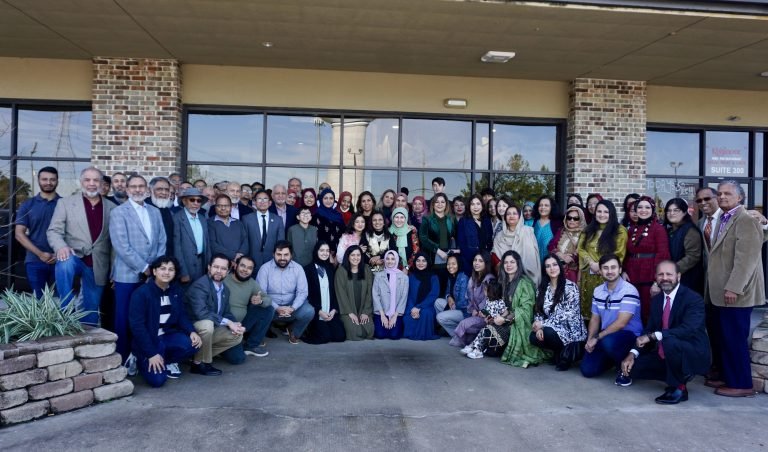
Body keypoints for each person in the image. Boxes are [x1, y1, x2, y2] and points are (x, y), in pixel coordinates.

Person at [619, 261, 711, 404]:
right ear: (656, 277)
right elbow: (649, 330)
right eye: (661, 274)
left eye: (669, 274)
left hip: (690, 352)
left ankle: (679, 388)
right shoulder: (657, 300)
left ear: (678, 276)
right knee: (633, 368)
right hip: (666, 353)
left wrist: (654, 336)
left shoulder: (693, 299)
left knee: (668, 339)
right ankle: (678, 374)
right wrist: (632, 354)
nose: (665, 278)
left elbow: (689, 329)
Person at [705, 180, 763, 397]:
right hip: (720, 293)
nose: (722, 197)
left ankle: (741, 384)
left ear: (740, 197)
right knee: (725, 338)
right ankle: (728, 377)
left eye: (728, 193)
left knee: (734, 340)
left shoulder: (745, 219)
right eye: (719, 193)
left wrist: (734, 288)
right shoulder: (724, 218)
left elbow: (745, 260)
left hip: (736, 294)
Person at [109, 174, 167, 363]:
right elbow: (121, 246)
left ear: (147, 190)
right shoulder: (119, 213)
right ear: (127, 190)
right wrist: (144, 267)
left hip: (151, 276)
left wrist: (156, 268)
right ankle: (123, 357)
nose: (137, 190)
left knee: (148, 318)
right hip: (127, 275)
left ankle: (141, 357)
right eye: (133, 186)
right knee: (124, 318)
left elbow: (162, 240)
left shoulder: (155, 212)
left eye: (141, 186)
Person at [47, 166, 113, 325]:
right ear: (81, 182)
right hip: (74, 256)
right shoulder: (65, 203)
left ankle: (86, 337)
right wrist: (61, 246)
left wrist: (114, 270)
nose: (92, 183)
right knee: (64, 262)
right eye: (87, 180)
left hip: (98, 264)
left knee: (90, 312)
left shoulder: (112, 208)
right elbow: (54, 230)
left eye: (96, 180)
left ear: (102, 183)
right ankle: (66, 307)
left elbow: (115, 242)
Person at [128, 256, 201, 387]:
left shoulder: (176, 291)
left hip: (167, 336)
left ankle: (167, 361)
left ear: (175, 273)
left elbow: (181, 315)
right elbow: (137, 327)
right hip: (149, 340)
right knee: (157, 381)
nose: (166, 272)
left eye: (171, 269)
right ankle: (138, 357)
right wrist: (151, 354)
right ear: (154, 271)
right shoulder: (141, 293)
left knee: (194, 344)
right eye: (162, 268)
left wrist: (192, 331)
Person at [580, 254, 643, 384]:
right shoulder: (598, 291)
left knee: (609, 342)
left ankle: (625, 369)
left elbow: (621, 323)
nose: (609, 271)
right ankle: (613, 359)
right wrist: (590, 340)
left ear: (620, 269)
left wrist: (597, 338)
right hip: (607, 336)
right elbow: (595, 319)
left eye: (613, 267)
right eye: (605, 268)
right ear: (600, 271)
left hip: (629, 336)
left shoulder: (629, 290)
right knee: (587, 370)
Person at [184, 254, 246, 376]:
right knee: (207, 325)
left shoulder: (225, 289)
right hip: (192, 329)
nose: (218, 271)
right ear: (209, 267)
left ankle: (194, 356)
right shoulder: (200, 285)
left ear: (228, 271)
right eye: (216, 267)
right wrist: (228, 323)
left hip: (211, 327)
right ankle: (200, 363)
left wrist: (235, 325)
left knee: (237, 335)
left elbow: (226, 312)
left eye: (223, 268)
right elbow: (201, 313)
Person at [529, 254, 587, 371]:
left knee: (548, 333)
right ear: (545, 270)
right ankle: (559, 352)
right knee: (533, 337)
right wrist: (538, 326)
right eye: (548, 266)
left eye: (555, 265)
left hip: (571, 329)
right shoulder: (542, 289)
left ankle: (566, 354)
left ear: (560, 266)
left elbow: (568, 314)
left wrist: (543, 324)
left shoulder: (571, 287)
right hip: (552, 326)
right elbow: (539, 311)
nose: (552, 268)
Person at [497, 251, 549, 367]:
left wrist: (505, 319)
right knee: (487, 331)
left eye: (512, 262)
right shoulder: (504, 281)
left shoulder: (525, 283)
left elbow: (526, 311)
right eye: (506, 262)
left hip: (521, 323)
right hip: (507, 319)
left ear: (518, 264)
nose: (508, 265)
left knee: (491, 336)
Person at [256, 240, 314, 344]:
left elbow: (302, 292)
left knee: (309, 311)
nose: (282, 258)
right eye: (279, 254)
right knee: (260, 307)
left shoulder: (298, 269)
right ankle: (259, 335)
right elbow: (262, 293)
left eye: (286, 255)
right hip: (271, 308)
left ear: (291, 255)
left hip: (291, 308)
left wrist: (293, 307)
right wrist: (276, 307)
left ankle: (294, 331)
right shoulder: (265, 269)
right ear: (273, 254)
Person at [577, 199, 627, 320]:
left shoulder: (620, 231)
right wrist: (591, 263)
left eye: (606, 212)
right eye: (599, 211)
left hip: (608, 275)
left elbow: (619, 253)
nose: (602, 214)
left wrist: (601, 265)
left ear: (611, 213)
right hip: (589, 275)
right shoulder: (588, 230)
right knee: (589, 308)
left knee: (606, 307)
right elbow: (580, 248)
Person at [623, 196, 670, 323]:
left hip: (649, 275)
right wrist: (624, 270)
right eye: (640, 207)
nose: (643, 210)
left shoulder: (658, 229)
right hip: (632, 275)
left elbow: (663, 255)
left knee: (648, 310)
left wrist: (657, 282)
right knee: (633, 308)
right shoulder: (632, 229)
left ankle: (649, 335)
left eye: (647, 207)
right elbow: (627, 252)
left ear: (652, 210)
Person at [15, 166, 60, 298]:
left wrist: (59, 254)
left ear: (57, 181)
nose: (48, 182)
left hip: (60, 260)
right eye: (44, 179)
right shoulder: (27, 205)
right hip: (34, 260)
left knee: (61, 300)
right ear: (38, 180)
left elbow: (73, 233)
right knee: (39, 301)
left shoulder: (65, 204)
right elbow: (19, 234)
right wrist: (40, 254)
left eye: (52, 179)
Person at [223, 255, 275, 357]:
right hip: (226, 324)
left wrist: (260, 301)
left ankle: (251, 345)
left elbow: (268, 299)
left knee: (268, 309)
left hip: (243, 324)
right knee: (238, 358)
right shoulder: (224, 279)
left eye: (249, 268)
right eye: (243, 266)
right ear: (235, 266)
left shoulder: (251, 283)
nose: (245, 270)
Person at [302, 241, 346, 344]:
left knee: (340, 336)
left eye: (327, 251)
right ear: (316, 251)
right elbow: (306, 295)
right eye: (321, 250)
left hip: (329, 311)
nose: (325, 253)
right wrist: (318, 311)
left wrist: (334, 310)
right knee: (324, 337)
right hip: (316, 312)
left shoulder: (330, 268)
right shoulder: (308, 269)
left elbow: (334, 292)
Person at [449, 252, 495, 347]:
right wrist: (473, 309)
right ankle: (471, 339)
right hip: (474, 313)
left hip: (486, 316)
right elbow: (469, 298)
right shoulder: (472, 278)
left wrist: (480, 311)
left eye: (480, 261)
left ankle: (469, 340)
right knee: (464, 326)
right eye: (475, 260)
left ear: (486, 263)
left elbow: (489, 299)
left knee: (464, 325)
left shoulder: (489, 279)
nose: (476, 263)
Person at [418, 192, 458, 295]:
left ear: (446, 204)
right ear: (433, 204)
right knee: (434, 289)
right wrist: (438, 250)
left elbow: (457, 236)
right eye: (437, 202)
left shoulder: (451, 219)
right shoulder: (427, 219)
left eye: (442, 202)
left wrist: (456, 250)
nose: (440, 204)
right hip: (433, 258)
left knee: (446, 289)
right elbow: (423, 238)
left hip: (447, 259)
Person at [663, 198, 704, 295]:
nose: (672, 213)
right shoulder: (668, 230)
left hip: (687, 280)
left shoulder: (690, 230)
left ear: (685, 212)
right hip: (672, 279)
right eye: (669, 210)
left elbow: (692, 257)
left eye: (676, 210)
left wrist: (672, 271)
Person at [333, 245, 375, 340]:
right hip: (347, 310)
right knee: (356, 333)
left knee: (369, 332)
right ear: (347, 256)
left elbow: (369, 292)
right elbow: (341, 294)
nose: (356, 258)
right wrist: (350, 313)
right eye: (352, 255)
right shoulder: (341, 271)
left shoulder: (366, 269)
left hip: (363, 309)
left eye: (358, 255)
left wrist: (366, 312)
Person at [172, 187, 211, 286]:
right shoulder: (177, 218)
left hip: (202, 265)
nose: (195, 203)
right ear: (184, 201)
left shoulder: (202, 218)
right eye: (192, 200)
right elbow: (177, 248)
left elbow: (207, 244)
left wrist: (209, 266)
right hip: (186, 266)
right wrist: (183, 272)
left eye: (199, 200)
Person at [491, 205, 540, 285]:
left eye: (514, 213)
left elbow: (533, 256)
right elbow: (494, 254)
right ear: (505, 217)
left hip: (526, 276)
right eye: (508, 214)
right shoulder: (499, 235)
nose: (511, 216)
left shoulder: (527, 231)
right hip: (506, 276)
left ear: (520, 217)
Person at [372, 250, 409, 339]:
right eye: (387, 259)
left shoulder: (404, 277)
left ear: (396, 260)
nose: (390, 261)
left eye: (393, 259)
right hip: (381, 311)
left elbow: (404, 297)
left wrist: (395, 316)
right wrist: (382, 315)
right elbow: (375, 295)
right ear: (384, 260)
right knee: (380, 335)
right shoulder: (378, 275)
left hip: (396, 312)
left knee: (394, 335)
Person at [403, 252, 440, 340]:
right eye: (418, 260)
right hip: (413, 305)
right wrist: (412, 308)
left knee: (426, 314)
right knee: (408, 316)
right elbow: (409, 295)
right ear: (415, 262)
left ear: (427, 262)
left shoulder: (433, 277)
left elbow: (433, 295)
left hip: (427, 305)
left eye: (424, 261)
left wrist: (419, 307)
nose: (421, 263)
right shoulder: (411, 276)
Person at [244, 189, 285, 269]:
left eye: (265, 199)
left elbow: (280, 242)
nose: (262, 202)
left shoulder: (278, 219)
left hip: (272, 261)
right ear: (255, 202)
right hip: (251, 261)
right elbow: (244, 241)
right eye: (259, 199)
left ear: (270, 203)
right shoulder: (246, 219)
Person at [456, 194, 493, 277]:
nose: (475, 207)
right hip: (469, 262)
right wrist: (474, 260)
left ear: (482, 205)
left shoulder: (487, 220)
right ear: (469, 206)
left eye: (478, 204)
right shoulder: (463, 221)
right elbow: (461, 243)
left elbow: (490, 240)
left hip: (485, 261)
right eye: (472, 204)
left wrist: (485, 257)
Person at [548, 205, 586, 283]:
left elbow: (582, 251)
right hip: (557, 269)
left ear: (581, 219)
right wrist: (561, 255)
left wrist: (571, 258)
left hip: (574, 272)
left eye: (576, 218)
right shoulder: (561, 230)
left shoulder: (585, 234)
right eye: (569, 217)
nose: (572, 220)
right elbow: (551, 245)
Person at [434, 254, 469, 338]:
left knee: (440, 317)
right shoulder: (451, 276)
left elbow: (463, 303)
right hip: (454, 306)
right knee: (437, 302)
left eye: (453, 264)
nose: (450, 266)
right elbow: (447, 291)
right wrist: (449, 297)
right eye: (448, 264)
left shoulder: (463, 277)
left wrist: (451, 308)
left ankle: (459, 335)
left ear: (458, 264)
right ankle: (448, 327)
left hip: (463, 311)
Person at [208, 194, 248, 262]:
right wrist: (233, 256)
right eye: (219, 206)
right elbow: (212, 245)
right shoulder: (209, 223)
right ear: (215, 207)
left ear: (231, 207)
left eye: (226, 206)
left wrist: (240, 256)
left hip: (238, 261)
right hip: (220, 262)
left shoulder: (238, 223)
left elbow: (245, 241)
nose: (223, 208)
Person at [145, 176, 176, 256]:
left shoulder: (167, 210)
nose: (164, 193)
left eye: (167, 190)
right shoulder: (143, 208)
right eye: (159, 189)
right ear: (150, 190)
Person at [312, 188, 346, 256]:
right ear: (321, 199)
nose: (328, 201)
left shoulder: (338, 215)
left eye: (331, 198)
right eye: (325, 198)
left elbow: (342, 234)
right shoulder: (316, 215)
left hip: (337, 253)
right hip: (321, 252)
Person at [532, 195, 562, 263]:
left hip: (550, 262)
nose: (543, 207)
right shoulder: (535, 221)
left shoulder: (557, 223)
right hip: (534, 260)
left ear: (551, 207)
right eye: (541, 205)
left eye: (546, 205)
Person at [389, 207, 419, 272]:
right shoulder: (389, 232)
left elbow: (416, 252)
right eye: (396, 217)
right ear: (393, 218)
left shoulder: (412, 231)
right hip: (392, 269)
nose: (399, 220)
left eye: (402, 217)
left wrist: (407, 268)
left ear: (406, 219)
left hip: (410, 269)